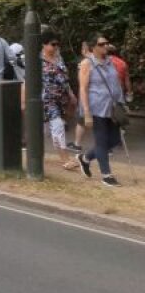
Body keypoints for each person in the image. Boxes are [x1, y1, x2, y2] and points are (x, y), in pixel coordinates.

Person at [77, 34, 126, 187]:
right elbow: (83, 89)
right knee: (102, 141)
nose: (106, 46)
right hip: (95, 108)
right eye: (102, 44)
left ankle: (85, 158)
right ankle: (106, 175)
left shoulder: (110, 62)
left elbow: (116, 84)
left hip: (111, 107)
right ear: (94, 47)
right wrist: (86, 113)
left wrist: (122, 102)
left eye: (106, 43)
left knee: (115, 140)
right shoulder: (87, 64)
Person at [33, 30, 79, 171]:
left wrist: (71, 94)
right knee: (57, 126)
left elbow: (64, 78)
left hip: (62, 99)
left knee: (51, 128)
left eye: (58, 44)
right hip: (48, 99)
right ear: (44, 44)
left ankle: (34, 152)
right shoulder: (37, 60)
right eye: (53, 44)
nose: (56, 47)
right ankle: (65, 159)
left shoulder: (59, 57)